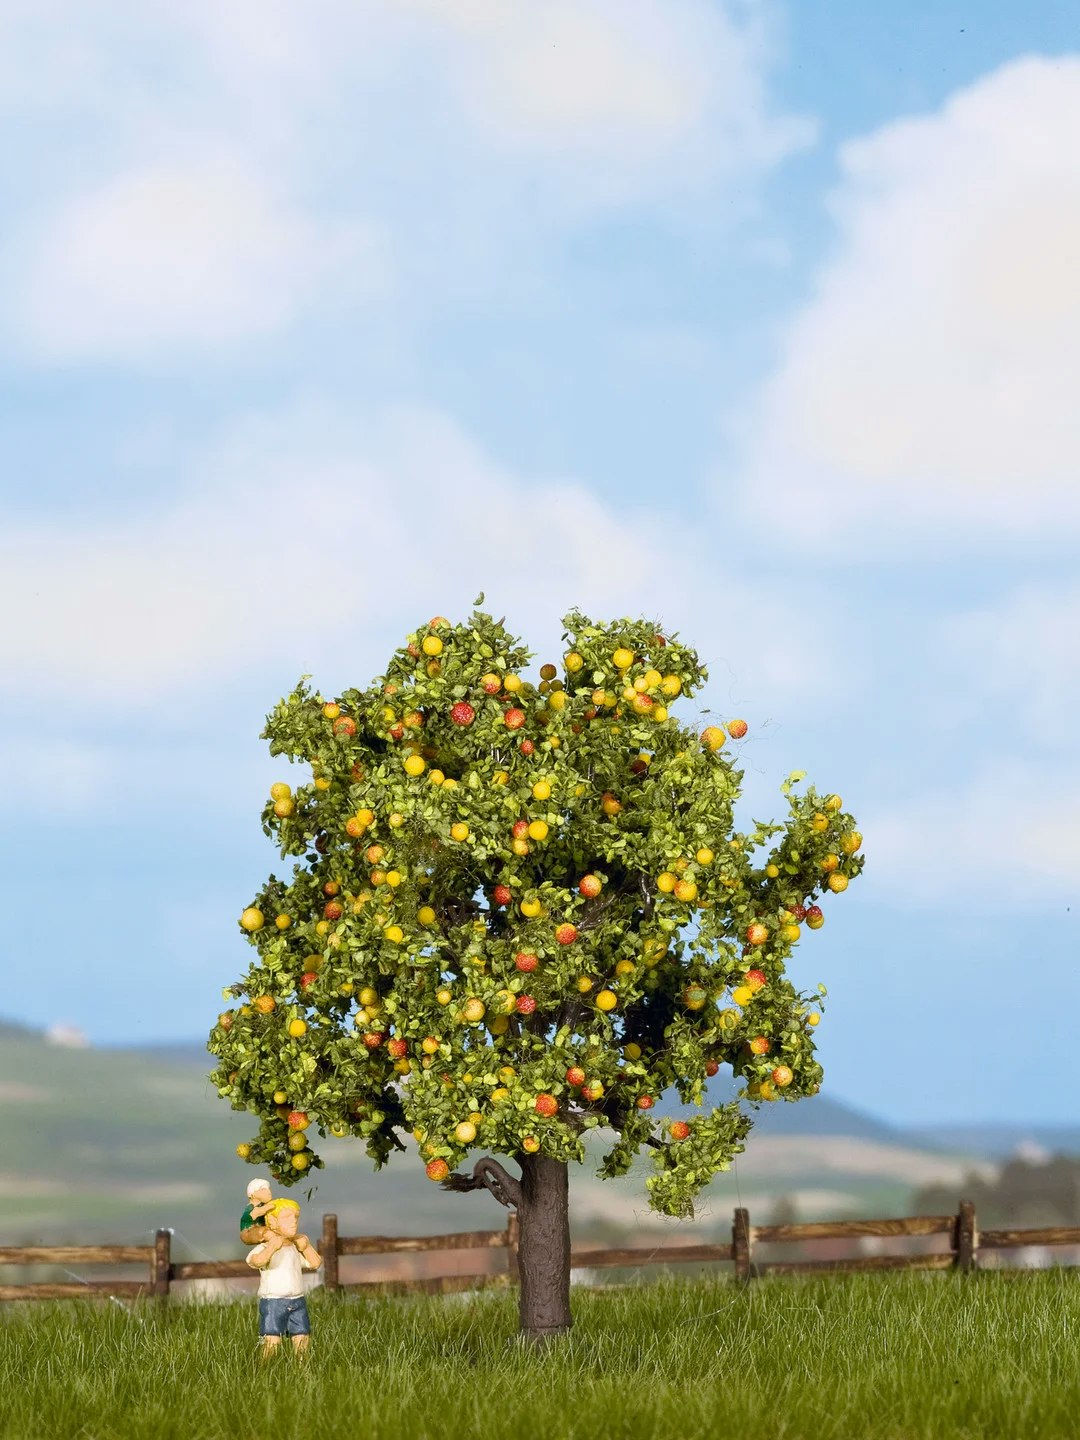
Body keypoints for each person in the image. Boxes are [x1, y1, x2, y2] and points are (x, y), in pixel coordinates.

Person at [245, 1198, 322, 1358]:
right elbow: (256, 1261)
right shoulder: (265, 1247)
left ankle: (303, 1370)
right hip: (274, 1302)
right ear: (272, 1222)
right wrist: (272, 1246)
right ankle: (265, 1370)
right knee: (272, 1340)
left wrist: (306, 1247)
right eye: (287, 1218)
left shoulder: (294, 1248)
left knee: (302, 1338)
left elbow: (315, 1263)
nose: (294, 1222)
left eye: (295, 1217)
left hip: (297, 1301)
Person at [240, 1178, 284, 1256]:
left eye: (268, 1189)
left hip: (262, 1229)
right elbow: (257, 1212)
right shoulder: (251, 1207)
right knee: (268, 1234)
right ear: (252, 1194)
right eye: (263, 1190)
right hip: (248, 1232)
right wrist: (273, 1206)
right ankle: (265, 1255)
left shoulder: (263, 1205)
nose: (269, 1192)